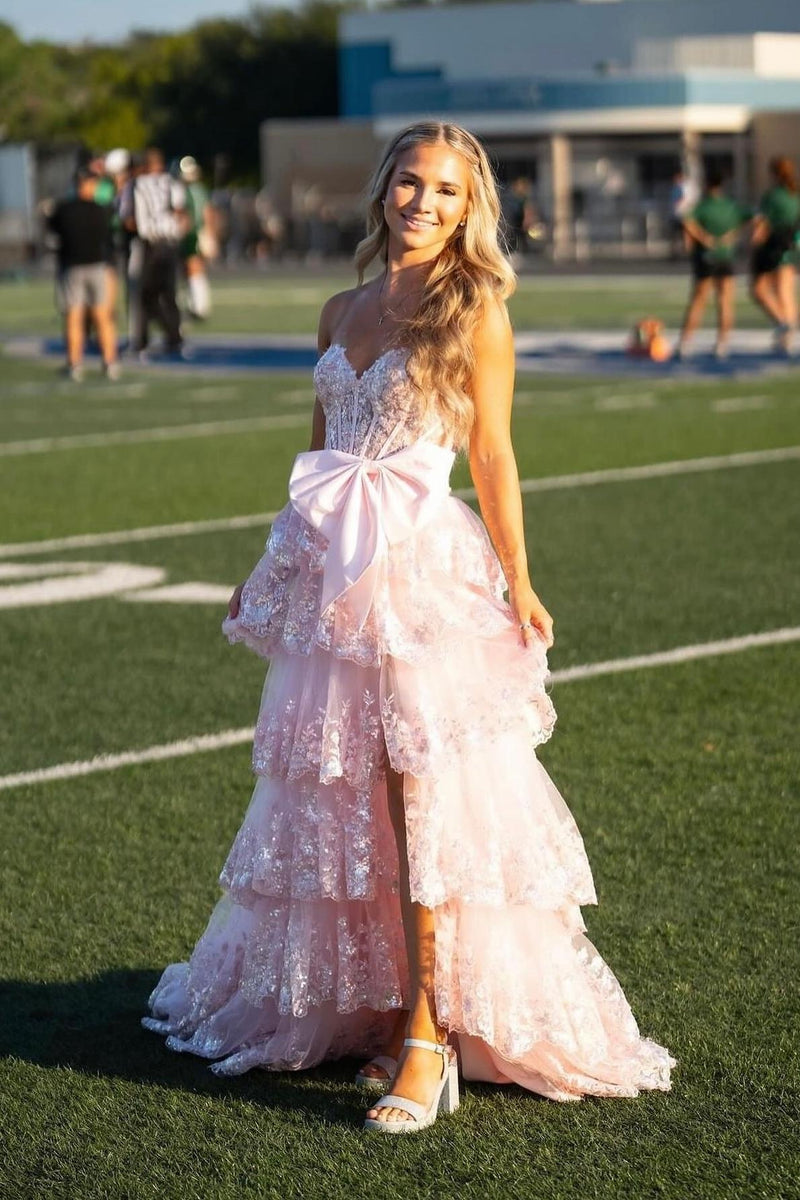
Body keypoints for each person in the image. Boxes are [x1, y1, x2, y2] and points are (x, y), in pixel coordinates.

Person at [143, 120, 675, 1132]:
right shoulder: (337, 308)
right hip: (335, 586)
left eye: (445, 190)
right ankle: (391, 1011)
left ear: (468, 207)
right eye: (409, 182)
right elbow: (315, 467)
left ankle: (431, 1039)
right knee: (347, 807)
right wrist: (267, 573)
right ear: (382, 187)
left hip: (422, 575)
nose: (422, 202)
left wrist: (517, 581)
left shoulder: (471, 310)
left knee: (422, 806)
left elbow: (494, 460)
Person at [48, 166, 119, 382]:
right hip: (97, 267)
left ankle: (75, 364)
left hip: (73, 268)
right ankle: (109, 362)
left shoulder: (63, 209)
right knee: (100, 316)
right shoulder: (101, 210)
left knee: (75, 316)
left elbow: (54, 235)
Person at [676, 168, 751, 361]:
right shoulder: (731, 206)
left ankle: (686, 342)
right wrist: (733, 236)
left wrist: (704, 238)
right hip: (725, 256)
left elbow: (686, 221)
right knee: (725, 300)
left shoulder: (703, 206)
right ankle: (722, 343)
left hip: (706, 257)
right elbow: (752, 218)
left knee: (699, 300)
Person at [119, 147, 187, 357]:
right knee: (169, 293)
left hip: (147, 244)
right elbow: (181, 215)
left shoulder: (136, 185)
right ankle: (174, 337)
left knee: (142, 295)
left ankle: (141, 340)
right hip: (169, 243)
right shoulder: (172, 184)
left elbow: (128, 219)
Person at [750, 155, 800, 356]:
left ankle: (784, 327)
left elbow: (762, 225)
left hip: (774, 245)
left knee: (760, 289)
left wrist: (754, 242)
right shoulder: (794, 194)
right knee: (785, 290)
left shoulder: (772, 196)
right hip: (792, 244)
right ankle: (787, 332)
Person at [178, 155, 215, 320]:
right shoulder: (200, 189)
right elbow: (208, 212)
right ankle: (199, 304)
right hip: (201, 232)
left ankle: (198, 306)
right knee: (197, 269)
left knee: (193, 268)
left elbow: (191, 215)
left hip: (194, 233)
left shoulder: (188, 192)